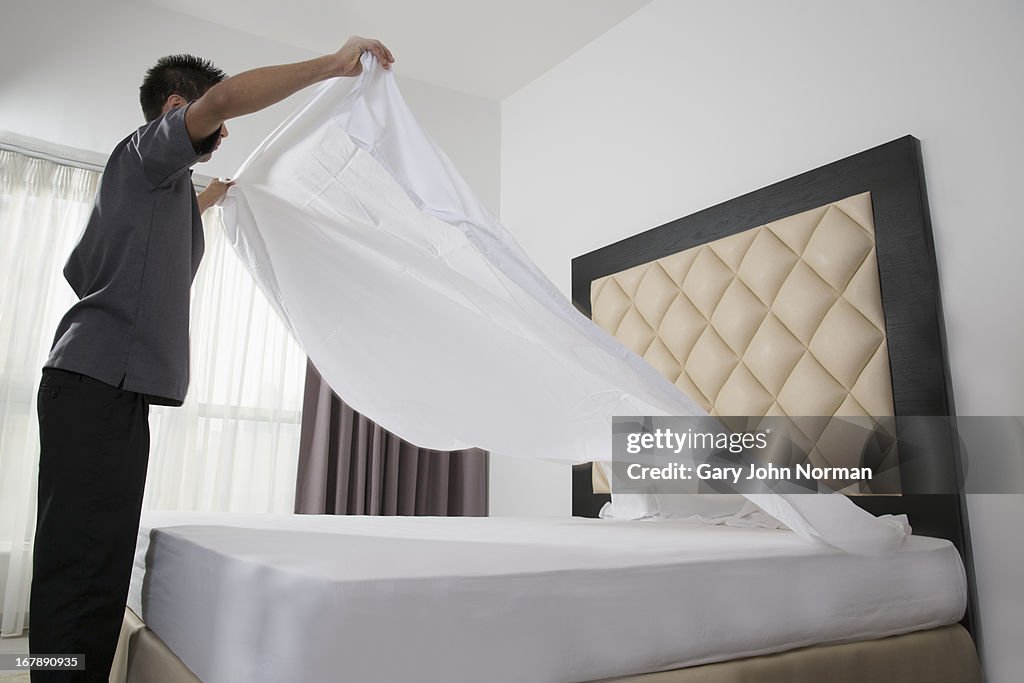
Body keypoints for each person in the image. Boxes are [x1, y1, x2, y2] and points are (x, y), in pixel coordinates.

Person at [30, 36, 395, 682]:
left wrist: (216, 196)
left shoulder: (152, 189)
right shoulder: (144, 153)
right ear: (176, 108)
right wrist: (331, 66)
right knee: (78, 572)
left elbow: (154, 243)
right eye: (213, 121)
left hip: (102, 389)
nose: (223, 130)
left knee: (95, 566)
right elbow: (224, 100)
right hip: (96, 386)